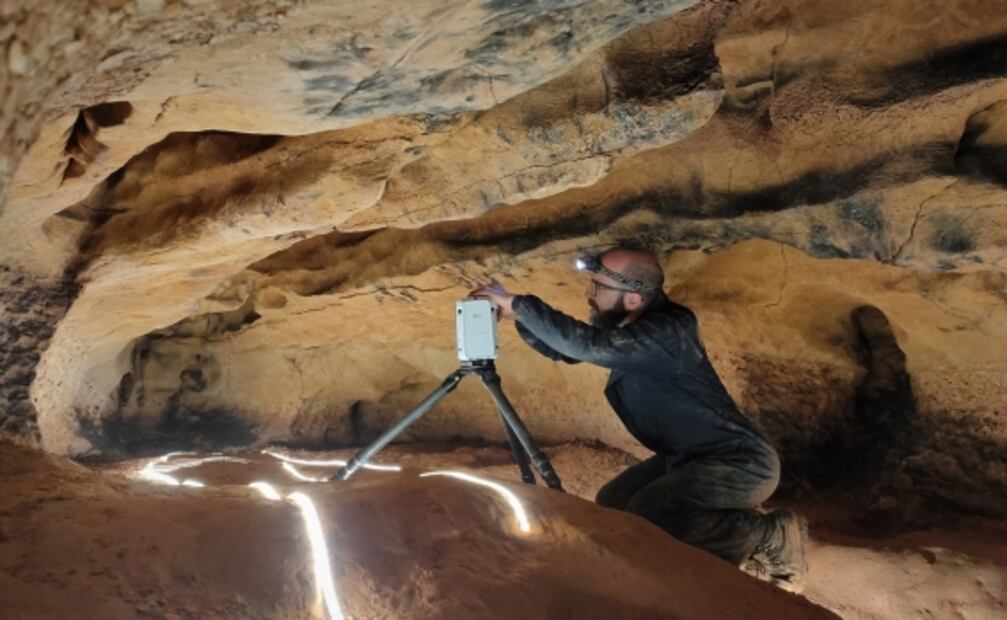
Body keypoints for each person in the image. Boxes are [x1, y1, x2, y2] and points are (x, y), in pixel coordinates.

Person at [472, 247, 808, 592]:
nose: (589, 294)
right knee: (614, 503)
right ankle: (725, 533)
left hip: (741, 461)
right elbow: (567, 350)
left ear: (633, 299)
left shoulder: (671, 329)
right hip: (687, 458)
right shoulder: (633, 332)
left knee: (652, 511)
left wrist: (520, 305)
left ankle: (769, 536)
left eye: (597, 286)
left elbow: (588, 346)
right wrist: (517, 317)